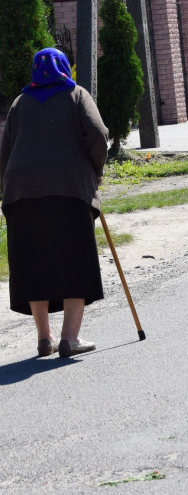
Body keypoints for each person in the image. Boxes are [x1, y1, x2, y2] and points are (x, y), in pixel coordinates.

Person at [0, 49, 109, 358]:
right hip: (69, 187)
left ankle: (44, 338)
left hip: (21, 192)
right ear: (64, 68)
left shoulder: (21, 103)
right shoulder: (76, 94)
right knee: (75, 260)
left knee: (33, 263)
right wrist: (95, 170)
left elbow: (5, 151)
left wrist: (8, 187)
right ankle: (70, 339)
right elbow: (99, 134)